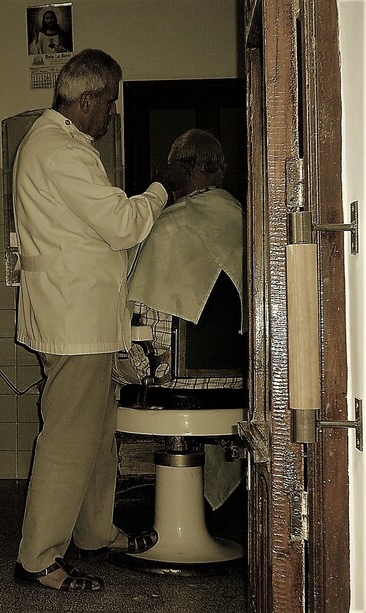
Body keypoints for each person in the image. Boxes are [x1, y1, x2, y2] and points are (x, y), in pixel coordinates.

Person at [12, 48, 186, 593]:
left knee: (94, 432)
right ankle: (38, 558)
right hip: (74, 319)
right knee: (68, 437)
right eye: (108, 102)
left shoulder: (59, 144)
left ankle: (93, 531)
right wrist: (161, 188)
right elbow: (121, 224)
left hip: (78, 313)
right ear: (86, 99)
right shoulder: (60, 149)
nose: (111, 113)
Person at [114, 129, 246, 510]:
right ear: (218, 171)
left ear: (181, 170)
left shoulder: (167, 225)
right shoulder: (250, 224)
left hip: (171, 379)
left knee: (97, 369)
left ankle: (98, 516)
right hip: (242, 379)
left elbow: (141, 319)